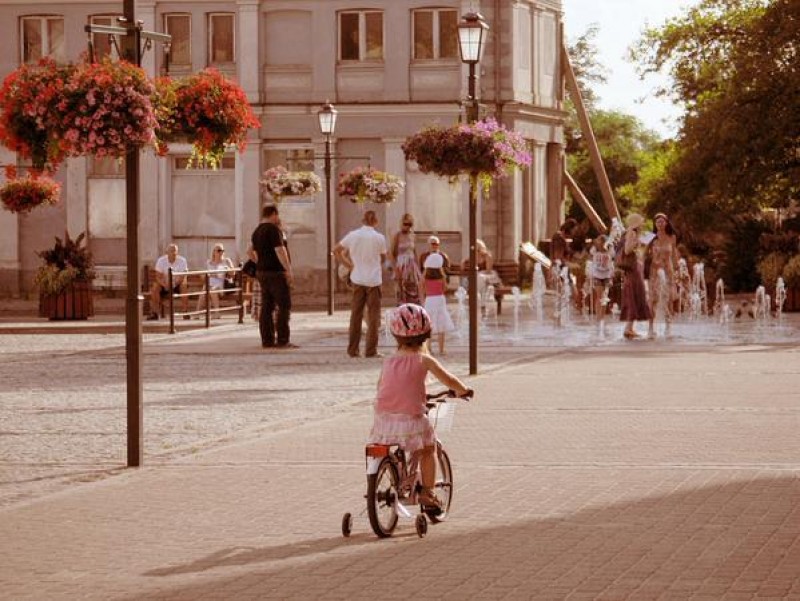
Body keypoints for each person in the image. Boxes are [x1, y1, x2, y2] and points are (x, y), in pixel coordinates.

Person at [368, 303, 471, 510]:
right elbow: (449, 380)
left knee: (394, 451)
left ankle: (393, 475)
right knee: (428, 449)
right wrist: (464, 390)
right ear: (425, 335)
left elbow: (382, 387)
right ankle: (428, 492)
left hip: (384, 421)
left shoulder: (388, 361)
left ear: (396, 336)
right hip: (411, 420)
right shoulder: (424, 360)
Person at [334, 209, 387, 358]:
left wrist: (350, 265)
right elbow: (383, 258)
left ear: (362, 221)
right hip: (374, 280)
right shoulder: (379, 238)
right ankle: (371, 350)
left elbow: (336, 250)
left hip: (357, 278)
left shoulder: (353, 235)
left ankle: (353, 349)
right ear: (376, 221)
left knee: (356, 315)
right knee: (373, 316)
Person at [251, 204, 296, 349]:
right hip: (276, 272)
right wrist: (288, 270)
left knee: (267, 306)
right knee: (284, 305)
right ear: (274, 214)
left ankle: (267, 340)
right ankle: (283, 339)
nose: (278, 218)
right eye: (277, 215)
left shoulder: (257, 231)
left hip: (262, 272)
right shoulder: (273, 229)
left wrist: (260, 261)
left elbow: (249, 251)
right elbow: (280, 250)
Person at [646, 212, 681, 337]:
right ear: (655, 224)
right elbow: (639, 249)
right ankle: (650, 328)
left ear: (666, 223)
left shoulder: (672, 237)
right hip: (654, 271)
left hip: (668, 271)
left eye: (662, 221)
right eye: (657, 222)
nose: (660, 224)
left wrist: (679, 269)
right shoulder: (650, 237)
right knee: (653, 300)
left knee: (669, 299)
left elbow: (674, 255)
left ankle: (668, 327)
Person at [620, 213, 653, 339]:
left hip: (636, 268)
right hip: (633, 269)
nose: (642, 224)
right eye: (641, 222)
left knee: (635, 295)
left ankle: (629, 327)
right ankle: (628, 328)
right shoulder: (631, 233)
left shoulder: (631, 233)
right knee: (633, 295)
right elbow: (627, 250)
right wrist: (637, 242)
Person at [422, 253, 455, 356]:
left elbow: (422, 287)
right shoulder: (442, 277)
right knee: (441, 325)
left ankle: (429, 349)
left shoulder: (425, 277)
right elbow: (445, 288)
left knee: (429, 325)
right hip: (439, 300)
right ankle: (441, 350)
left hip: (429, 300)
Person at [147, 243, 189, 320]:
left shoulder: (182, 261)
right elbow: (158, 277)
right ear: (167, 252)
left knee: (184, 286)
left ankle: (185, 311)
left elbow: (183, 276)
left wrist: (176, 283)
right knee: (155, 288)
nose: (174, 253)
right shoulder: (161, 260)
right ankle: (155, 313)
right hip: (164, 284)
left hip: (177, 284)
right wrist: (165, 284)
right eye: (171, 251)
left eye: (175, 251)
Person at [390, 213, 422, 304]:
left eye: (409, 224)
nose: (407, 227)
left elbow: (415, 252)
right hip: (401, 264)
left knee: (414, 289)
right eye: (405, 224)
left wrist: (418, 268)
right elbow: (391, 253)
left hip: (412, 265)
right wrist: (395, 268)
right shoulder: (397, 236)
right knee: (401, 289)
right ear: (401, 223)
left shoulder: (413, 235)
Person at [195, 243, 235, 316]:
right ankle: (197, 313)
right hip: (209, 283)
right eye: (219, 250)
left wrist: (227, 269)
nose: (221, 252)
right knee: (204, 292)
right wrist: (207, 275)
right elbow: (204, 274)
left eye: (222, 250)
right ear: (214, 252)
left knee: (212, 290)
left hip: (221, 283)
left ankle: (217, 313)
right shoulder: (209, 262)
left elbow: (233, 273)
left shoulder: (226, 261)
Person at [588, 234, 614, 331]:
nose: (602, 243)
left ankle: (602, 318)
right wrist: (589, 273)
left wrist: (611, 275)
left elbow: (611, 263)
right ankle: (598, 318)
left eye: (603, 241)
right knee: (599, 296)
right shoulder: (594, 250)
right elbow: (590, 260)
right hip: (597, 275)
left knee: (605, 297)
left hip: (606, 275)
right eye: (600, 241)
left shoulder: (610, 250)